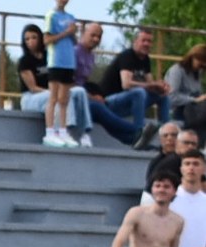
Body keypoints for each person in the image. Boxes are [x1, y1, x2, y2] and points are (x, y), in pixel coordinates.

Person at [74, 21, 157, 151]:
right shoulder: (74, 52)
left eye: (99, 37)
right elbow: (67, 83)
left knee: (103, 115)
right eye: (92, 35)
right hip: (71, 99)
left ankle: (137, 141)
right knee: (98, 108)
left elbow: (83, 83)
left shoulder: (90, 55)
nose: (96, 39)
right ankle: (138, 131)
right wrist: (90, 97)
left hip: (85, 97)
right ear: (83, 34)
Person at [16, 22, 92, 147]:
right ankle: (65, 130)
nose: (31, 41)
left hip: (51, 92)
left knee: (79, 91)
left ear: (40, 38)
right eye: (27, 39)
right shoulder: (24, 61)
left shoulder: (50, 57)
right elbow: (33, 88)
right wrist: (54, 93)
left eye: (34, 37)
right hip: (31, 97)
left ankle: (84, 133)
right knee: (57, 96)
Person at [98, 26, 171, 128]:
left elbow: (150, 84)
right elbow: (126, 84)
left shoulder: (145, 59)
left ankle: (166, 129)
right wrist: (151, 85)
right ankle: (138, 130)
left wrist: (160, 87)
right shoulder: (127, 56)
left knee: (163, 95)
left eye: (149, 41)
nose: (146, 44)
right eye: (143, 40)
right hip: (110, 102)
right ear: (135, 41)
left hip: (128, 103)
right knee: (139, 92)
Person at [42, 0, 78, 151]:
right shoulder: (51, 15)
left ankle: (63, 131)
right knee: (53, 97)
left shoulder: (71, 17)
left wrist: (73, 32)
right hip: (56, 61)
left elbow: (74, 41)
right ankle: (50, 131)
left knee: (64, 99)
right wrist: (66, 32)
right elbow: (47, 40)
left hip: (68, 62)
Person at [169, 148, 206, 247]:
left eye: (196, 164)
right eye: (187, 163)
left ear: (204, 169)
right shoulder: (169, 200)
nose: (191, 168)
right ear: (181, 168)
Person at [167, 44, 206, 131]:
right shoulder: (177, 70)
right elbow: (171, 97)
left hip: (194, 110)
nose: (202, 67)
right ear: (193, 57)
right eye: (200, 64)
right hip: (178, 110)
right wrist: (194, 100)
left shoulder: (198, 72)